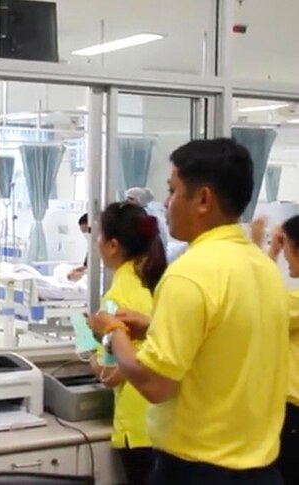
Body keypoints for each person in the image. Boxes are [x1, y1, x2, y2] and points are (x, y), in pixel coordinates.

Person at [88, 138, 293, 484]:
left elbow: (155, 385)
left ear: (202, 199)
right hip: (260, 469)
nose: (166, 203)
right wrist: (152, 326)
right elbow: (224, 337)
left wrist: (111, 334)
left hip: (198, 470)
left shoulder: (190, 273)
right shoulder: (261, 266)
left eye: (172, 191)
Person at [88, 202, 166, 485]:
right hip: (167, 423)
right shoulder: (161, 285)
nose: (95, 243)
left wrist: (91, 358)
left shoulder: (115, 297)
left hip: (137, 426)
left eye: (98, 236)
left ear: (112, 246)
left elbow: (111, 374)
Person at [252, 215, 299, 485]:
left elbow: (260, 300)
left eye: (288, 247)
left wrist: (265, 249)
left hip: (293, 414)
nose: (287, 257)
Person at [125, 186, 187, 264]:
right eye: (126, 198)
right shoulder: (134, 215)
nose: (127, 201)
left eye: (131, 198)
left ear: (139, 200)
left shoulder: (147, 216)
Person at [68, 213, 89, 282]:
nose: (85, 235)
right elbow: (86, 266)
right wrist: (75, 270)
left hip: (90, 277)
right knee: (59, 269)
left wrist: (82, 275)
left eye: (86, 231)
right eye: (83, 233)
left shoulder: (104, 245)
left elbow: (101, 271)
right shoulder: (91, 248)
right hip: (87, 274)